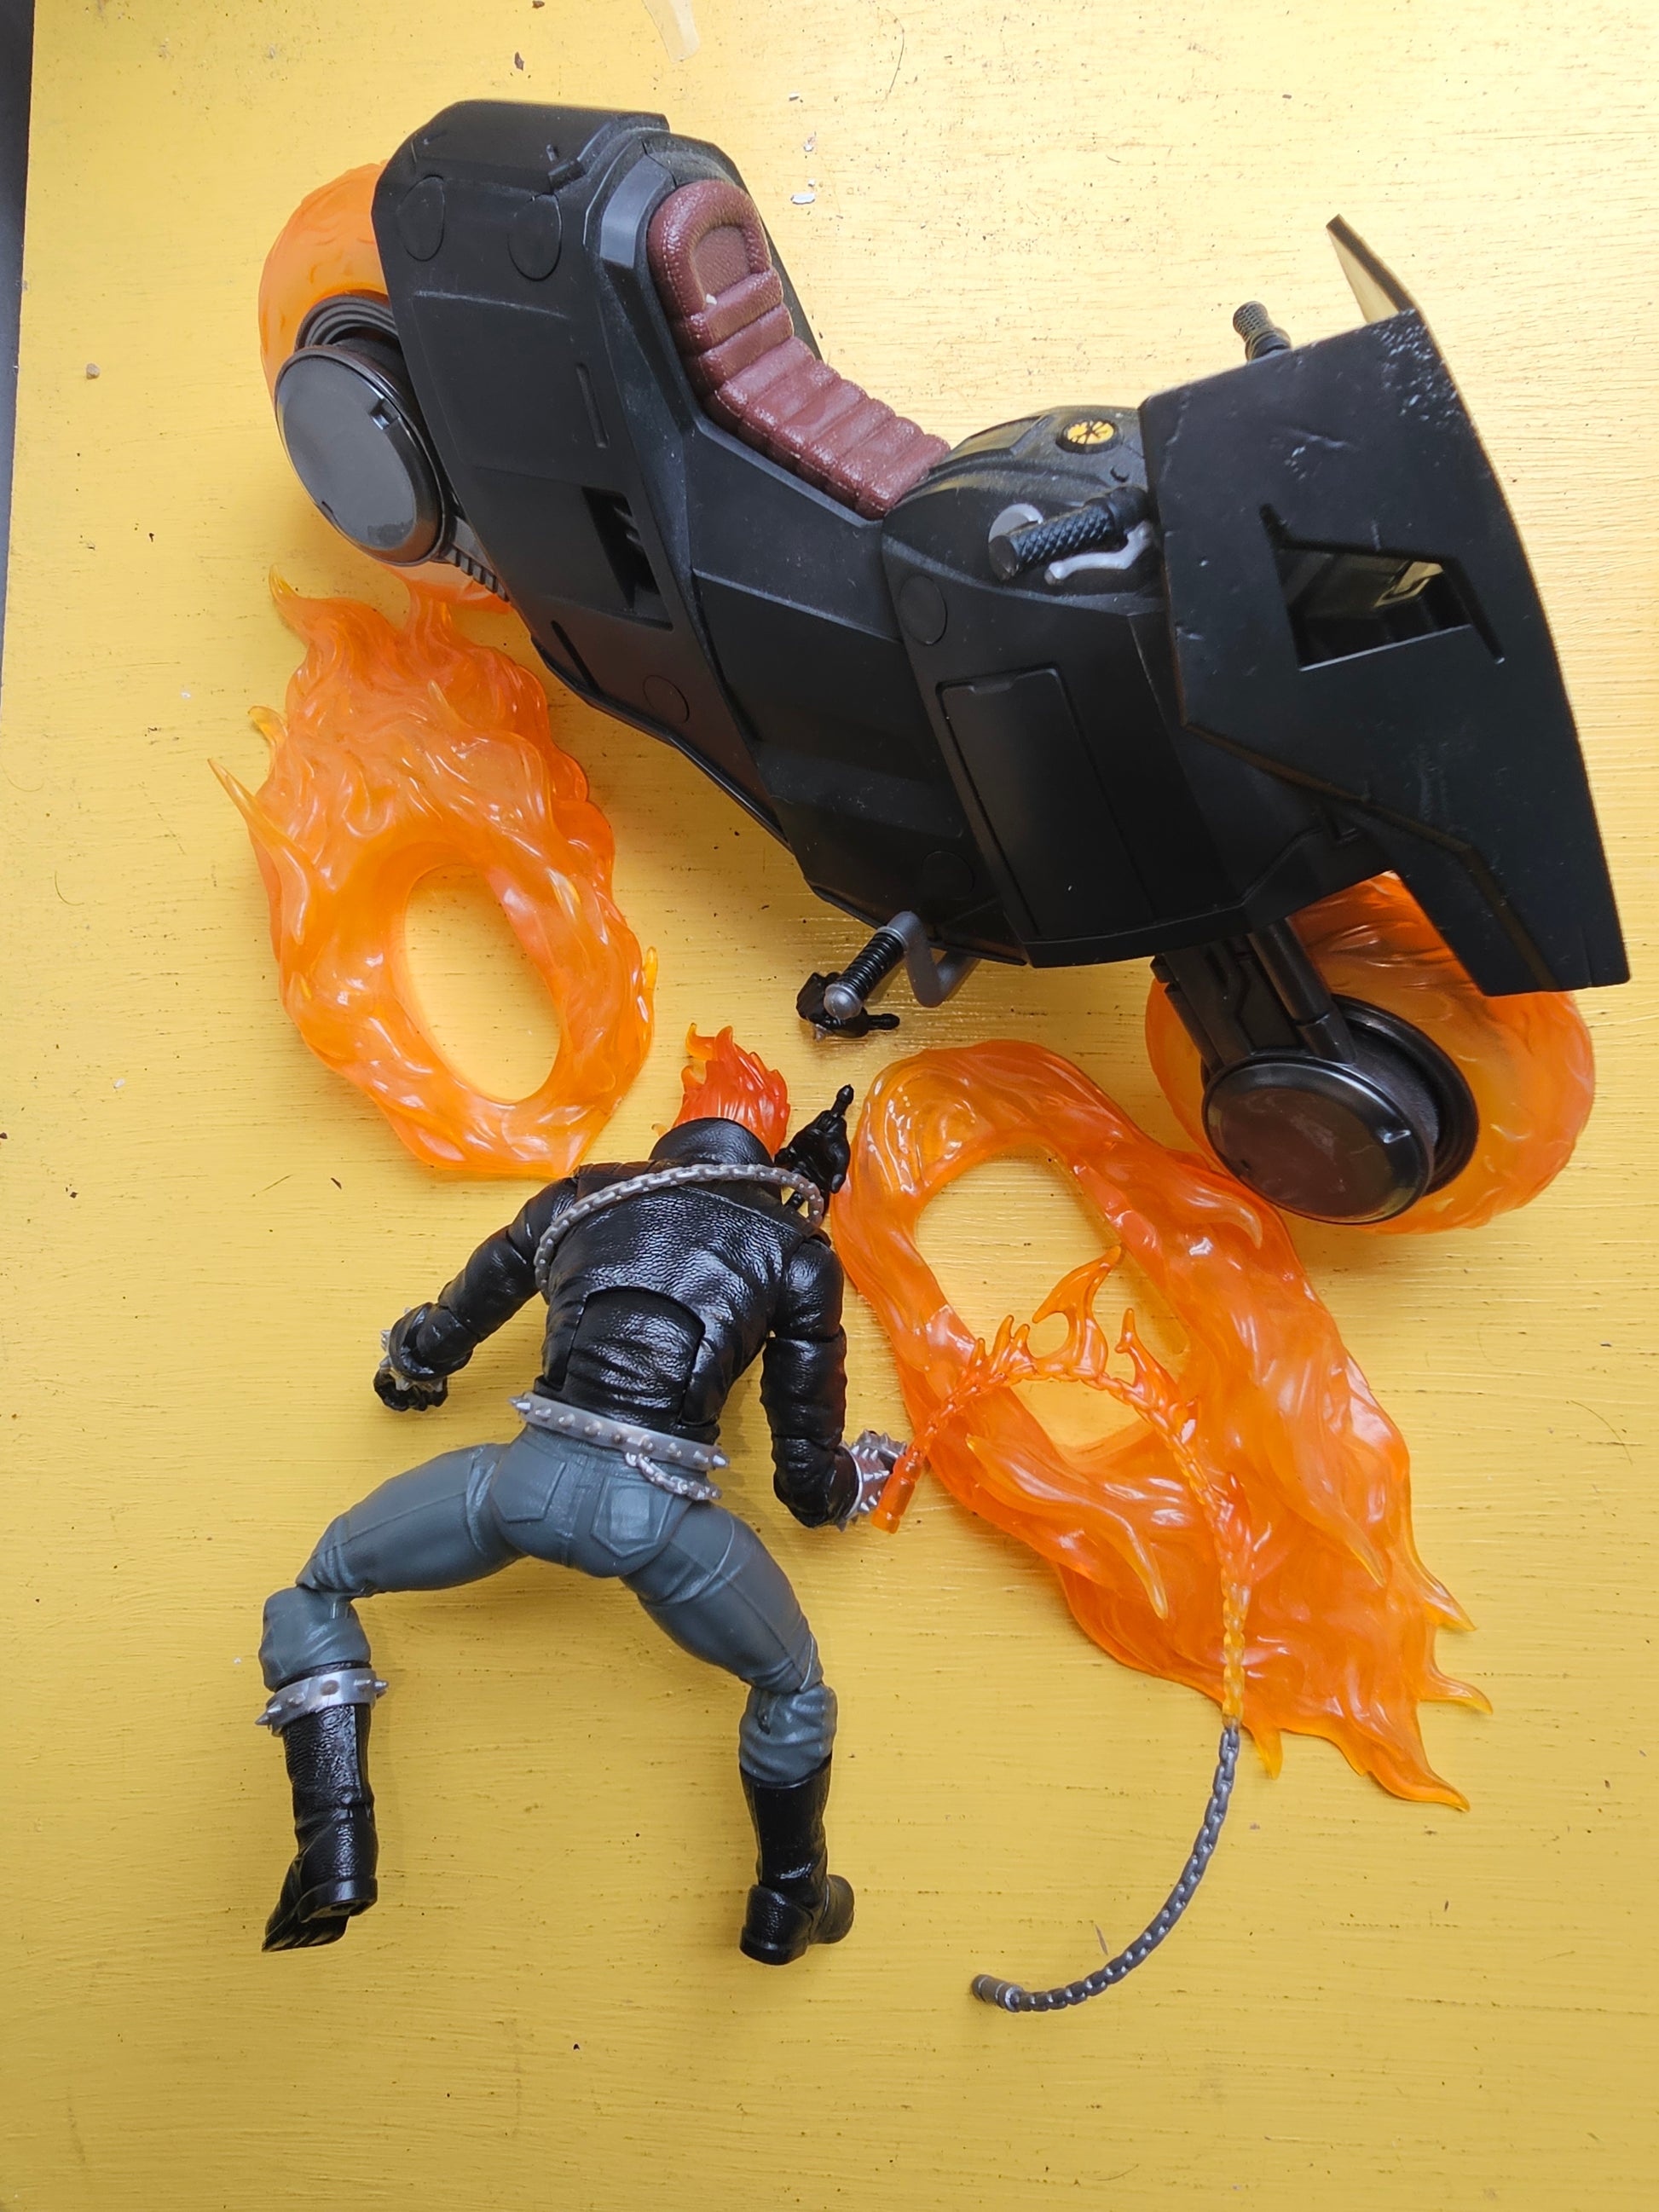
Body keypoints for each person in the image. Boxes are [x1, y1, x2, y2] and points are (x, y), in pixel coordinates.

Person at [256, 1083, 894, 1961]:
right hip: (661, 1522)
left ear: (669, 1141)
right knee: (792, 1690)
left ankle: (333, 1840)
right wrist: (858, 1480)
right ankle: (789, 1897)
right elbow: (804, 1480)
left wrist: (416, 1362)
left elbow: (473, 1298)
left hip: (519, 1484)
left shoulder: (588, 1195)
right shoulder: (797, 1254)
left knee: (318, 1587)